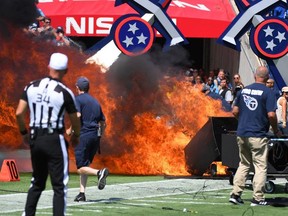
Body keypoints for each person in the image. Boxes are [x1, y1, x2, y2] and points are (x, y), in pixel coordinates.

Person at [15, 53, 81, 216]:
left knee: (36, 182)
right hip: (54, 139)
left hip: (35, 138)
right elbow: (75, 118)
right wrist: (76, 136)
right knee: (59, 186)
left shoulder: (31, 86)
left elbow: (19, 113)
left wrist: (24, 132)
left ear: (49, 67)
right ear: (65, 70)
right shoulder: (65, 92)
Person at [229, 66, 281, 206]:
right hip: (258, 134)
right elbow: (271, 114)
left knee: (244, 164)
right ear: (267, 77)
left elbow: (234, 111)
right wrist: (276, 130)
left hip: (242, 133)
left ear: (254, 75)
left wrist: (243, 122)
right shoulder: (268, 92)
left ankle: (235, 194)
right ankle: (257, 198)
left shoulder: (243, 90)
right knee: (260, 166)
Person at [66, 76, 109, 202]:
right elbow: (103, 123)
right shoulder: (95, 101)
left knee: (80, 168)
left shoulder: (77, 99)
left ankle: (99, 173)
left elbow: (77, 116)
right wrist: (100, 135)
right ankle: (82, 193)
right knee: (85, 164)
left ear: (77, 87)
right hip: (94, 137)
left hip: (83, 136)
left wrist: (70, 129)